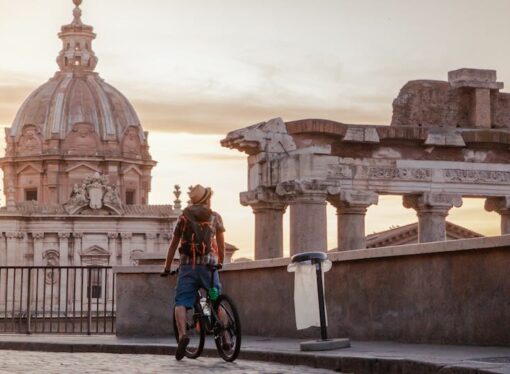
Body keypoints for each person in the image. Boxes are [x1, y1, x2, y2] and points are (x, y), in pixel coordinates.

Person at [161, 184, 226, 360]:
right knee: (215, 298)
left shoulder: (183, 218)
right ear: (207, 199)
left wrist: (167, 267)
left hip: (188, 268)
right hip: (209, 268)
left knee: (181, 302)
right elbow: (220, 244)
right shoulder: (215, 217)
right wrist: (220, 262)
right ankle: (226, 337)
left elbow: (174, 244)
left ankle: (183, 336)